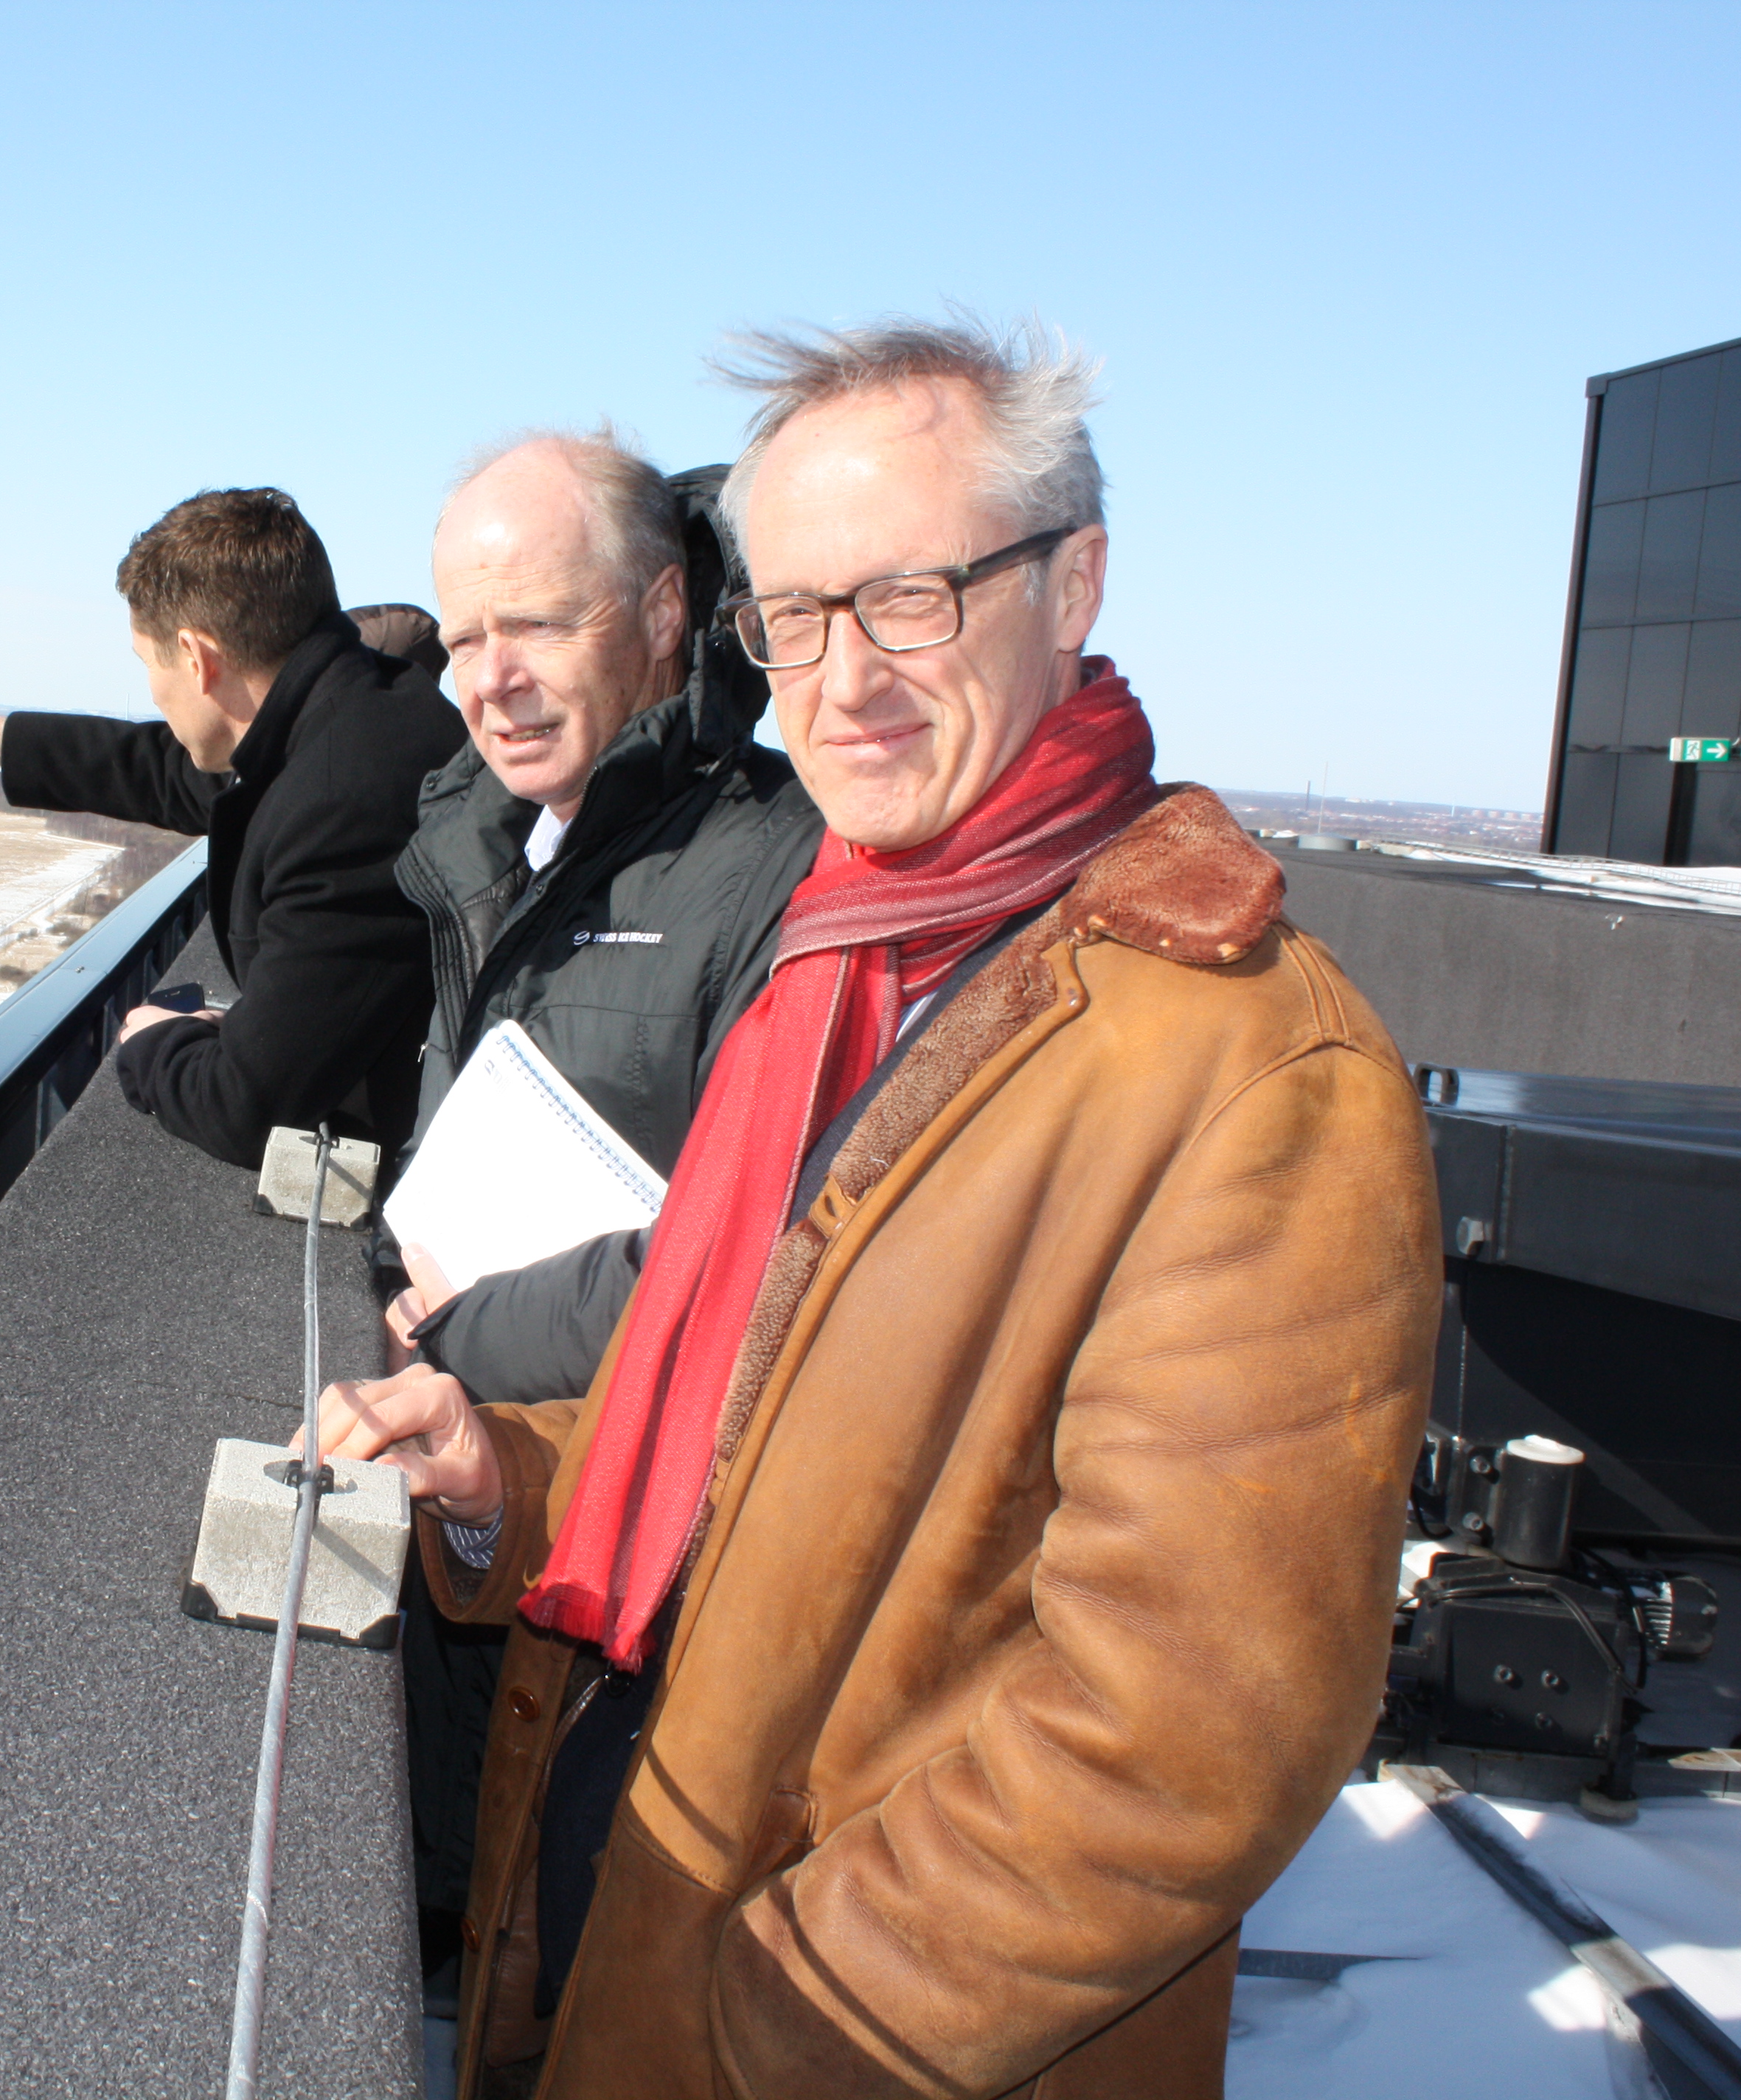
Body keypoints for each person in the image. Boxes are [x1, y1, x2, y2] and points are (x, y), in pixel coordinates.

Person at [312, 320, 1440, 2099]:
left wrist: (759, 2016)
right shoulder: (853, 960)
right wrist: (506, 1468)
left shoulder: (1251, 1073)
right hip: (624, 1929)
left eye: (910, 598)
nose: (844, 680)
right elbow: (759, 1416)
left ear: (1072, 586)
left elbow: (1186, 1739)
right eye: (799, 613)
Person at [0, 488, 467, 1169]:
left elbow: (248, 1107)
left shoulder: (340, 802)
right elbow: (161, 769)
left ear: (195, 656)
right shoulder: (356, 705)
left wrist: (153, 1041)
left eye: (146, 663)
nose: (153, 689)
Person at [385, 436, 820, 1408]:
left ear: (663, 613)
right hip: (461, 1401)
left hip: (609, 1451)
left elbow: (760, 1260)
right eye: (463, 642)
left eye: (537, 625)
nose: (490, 679)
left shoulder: (785, 867)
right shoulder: (490, 849)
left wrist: (468, 1335)